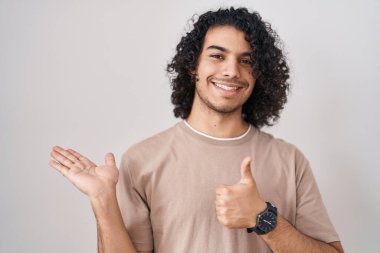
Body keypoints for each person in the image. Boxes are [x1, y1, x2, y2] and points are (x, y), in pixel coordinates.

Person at [49, 7, 344, 253]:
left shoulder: (290, 161)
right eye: (217, 56)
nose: (231, 71)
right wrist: (103, 201)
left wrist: (263, 218)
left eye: (247, 61)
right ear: (193, 66)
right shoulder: (142, 159)